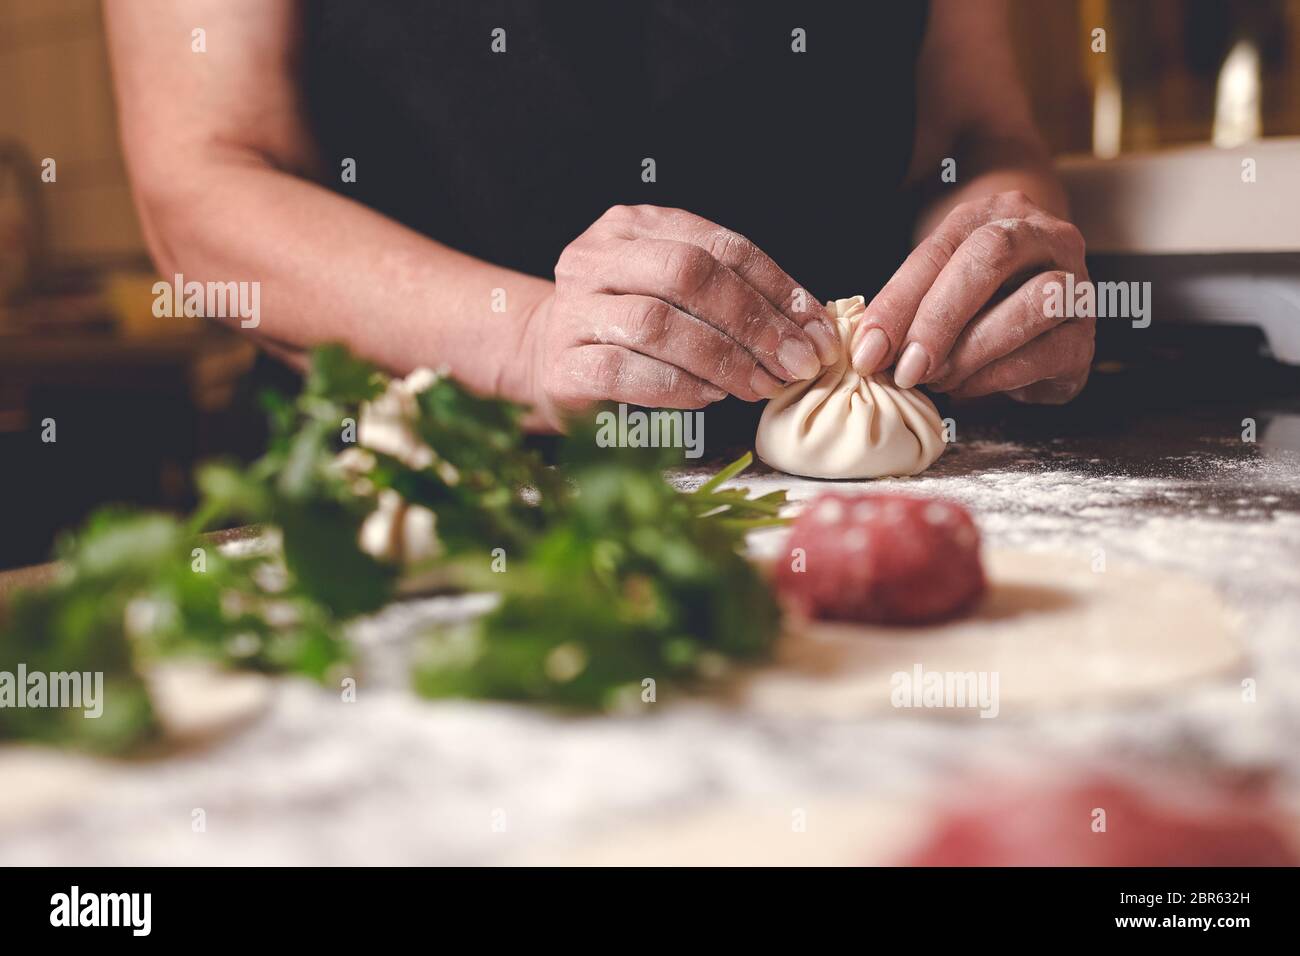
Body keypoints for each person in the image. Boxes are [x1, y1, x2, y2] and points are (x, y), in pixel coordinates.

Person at [106, 0, 1094, 432]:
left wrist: (992, 243)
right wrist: (521, 341)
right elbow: (202, 176)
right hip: (425, 500)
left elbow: (971, 121)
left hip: (873, 501)